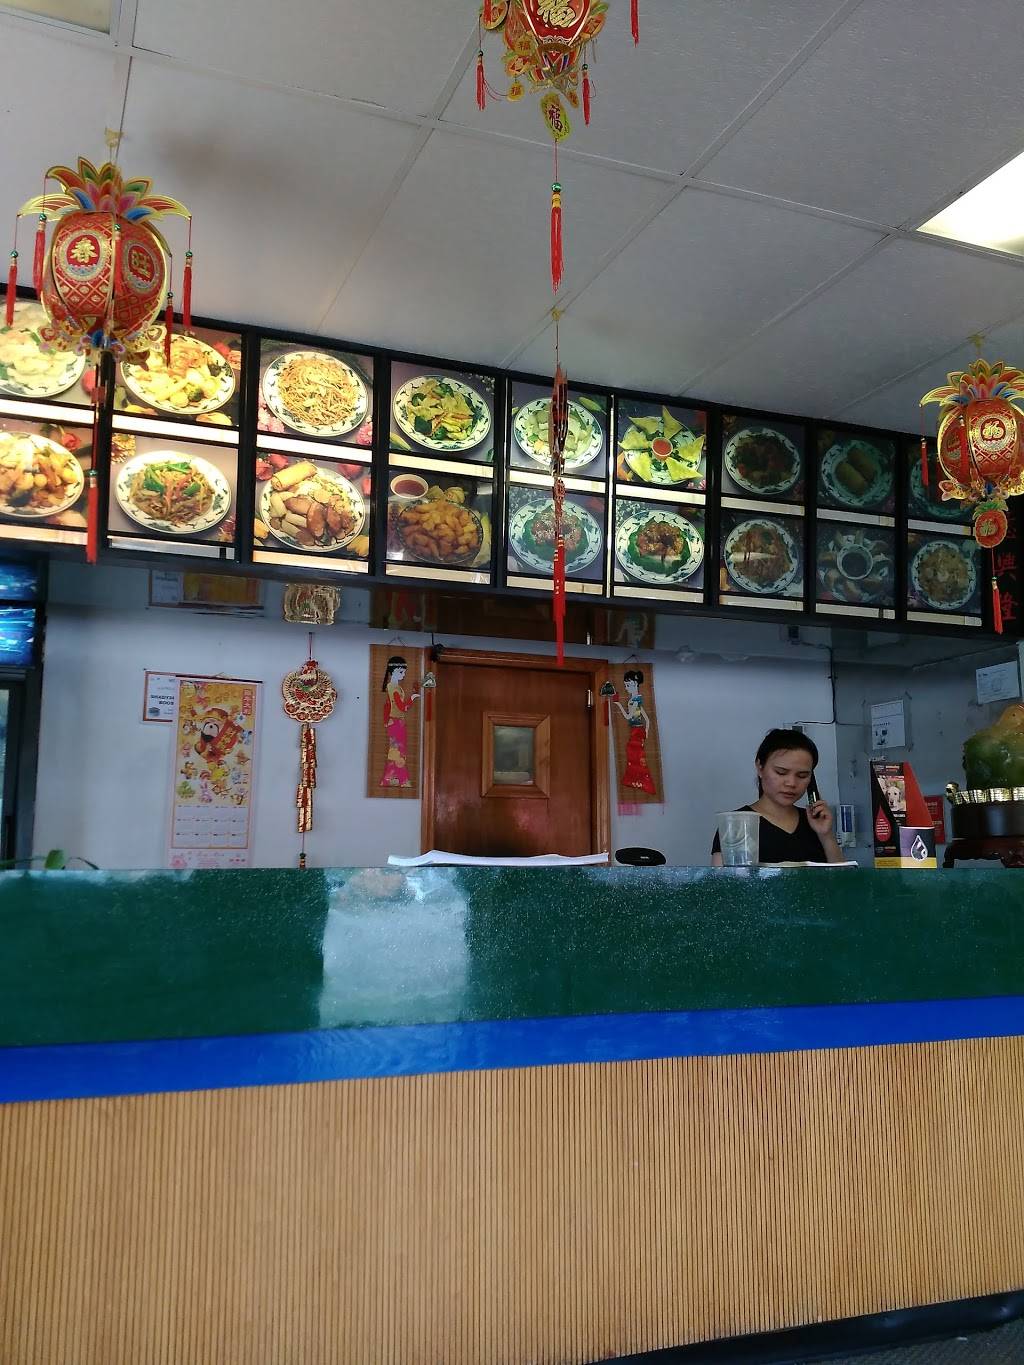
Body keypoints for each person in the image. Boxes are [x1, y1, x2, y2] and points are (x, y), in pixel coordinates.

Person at [711, 728, 843, 866]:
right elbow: (722, 878)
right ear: (760, 767)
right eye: (781, 772)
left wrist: (826, 835)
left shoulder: (815, 823)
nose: (791, 783)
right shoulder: (736, 825)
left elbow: (843, 877)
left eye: (802, 776)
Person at [611, 669, 657, 796]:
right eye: (625, 685)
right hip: (638, 730)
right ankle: (637, 779)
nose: (626, 688)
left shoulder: (634, 700)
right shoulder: (637, 699)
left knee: (633, 753)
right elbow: (646, 718)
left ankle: (638, 779)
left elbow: (628, 716)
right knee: (636, 754)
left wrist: (618, 704)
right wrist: (646, 730)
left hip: (636, 730)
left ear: (636, 684)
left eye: (628, 685)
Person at [379, 655, 420, 789]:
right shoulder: (394, 688)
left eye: (404, 672)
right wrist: (412, 698)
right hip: (397, 722)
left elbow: (387, 705)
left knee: (395, 751)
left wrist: (386, 721)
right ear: (394, 671)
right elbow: (403, 707)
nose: (403, 674)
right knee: (399, 752)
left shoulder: (392, 687)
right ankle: (402, 780)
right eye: (401, 671)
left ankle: (388, 779)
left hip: (395, 722)